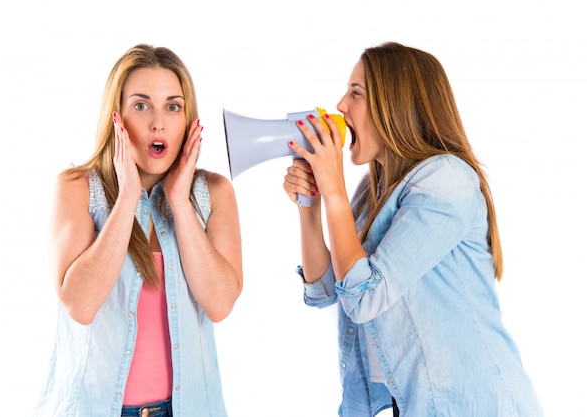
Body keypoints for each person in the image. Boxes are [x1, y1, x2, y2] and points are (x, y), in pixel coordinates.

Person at [283, 42, 543, 416]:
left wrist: (334, 190)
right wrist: (312, 205)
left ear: (396, 104)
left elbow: (363, 296)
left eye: (356, 93)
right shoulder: (368, 193)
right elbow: (326, 290)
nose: (340, 105)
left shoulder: (447, 180)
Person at [34, 44, 243, 417]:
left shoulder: (213, 194)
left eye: (173, 106)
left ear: (188, 119)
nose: (158, 123)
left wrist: (179, 201)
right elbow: (80, 305)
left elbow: (220, 303)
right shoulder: (76, 189)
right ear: (117, 117)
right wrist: (128, 196)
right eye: (142, 105)